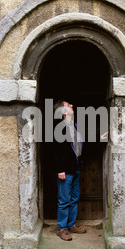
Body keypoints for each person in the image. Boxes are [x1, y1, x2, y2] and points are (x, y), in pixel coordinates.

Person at [53, 100, 86, 241]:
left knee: (74, 199)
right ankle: (62, 228)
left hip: (75, 168)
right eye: (68, 105)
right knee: (64, 200)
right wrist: (60, 169)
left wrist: (100, 136)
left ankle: (71, 225)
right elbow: (56, 151)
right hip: (65, 171)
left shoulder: (75, 126)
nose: (72, 105)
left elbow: (79, 145)